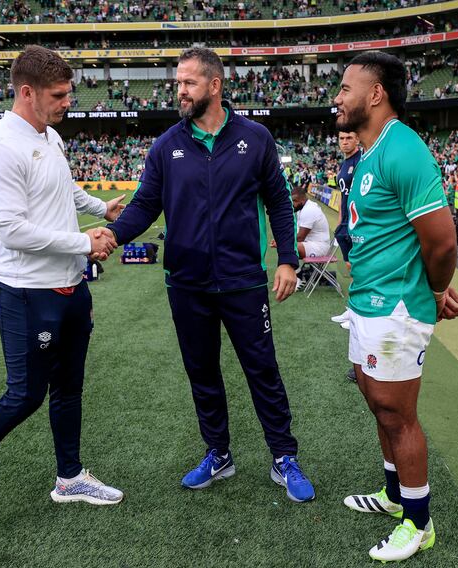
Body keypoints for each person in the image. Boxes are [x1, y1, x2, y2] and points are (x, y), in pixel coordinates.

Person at [104, 47, 315, 503]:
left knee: (262, 369)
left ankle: (283, 456)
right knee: (202, 371)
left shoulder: (256, 138)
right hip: (187, 284)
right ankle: (218, 452)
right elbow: (145, 204)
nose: (179, 91)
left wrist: (286, 261)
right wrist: (112, 236)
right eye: (177, 83)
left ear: (215, 85)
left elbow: (279, 201)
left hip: (242, 281)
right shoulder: (166, 145)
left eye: (188, 83)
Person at [0, 46, 126, 532]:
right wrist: (82, 242)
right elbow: (10, 230)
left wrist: (100, 209)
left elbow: (63, 191)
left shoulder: (51, 137)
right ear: (27, 93)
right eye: (59, 95)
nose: (68, 102)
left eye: (68, 93)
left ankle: (69, 478)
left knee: (69, 388)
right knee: (25, 394)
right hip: (27, 291)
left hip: (70, 287)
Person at [333, 50, 458, 562]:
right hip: (368, 302)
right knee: (377, 404)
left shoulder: (403, 149)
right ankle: (394, 496)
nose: (337, 98)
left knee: (397, 413)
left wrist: (433, 291)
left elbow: (442, 243)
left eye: (346, 88)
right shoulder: (368, 153)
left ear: (376, 93)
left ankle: (419, 522)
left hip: (398, 308)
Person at [331, 131, 361, 337]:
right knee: (351, 268)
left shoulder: (361, 161)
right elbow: (343, 196)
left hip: (356, 224)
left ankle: (358, 315)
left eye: (349, 138)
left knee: (360, 270)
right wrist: (341, 224)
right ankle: (352, 310)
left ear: (357, 139)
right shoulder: (344, 164)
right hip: (345, 225)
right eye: (341, 138)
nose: (344, 142)